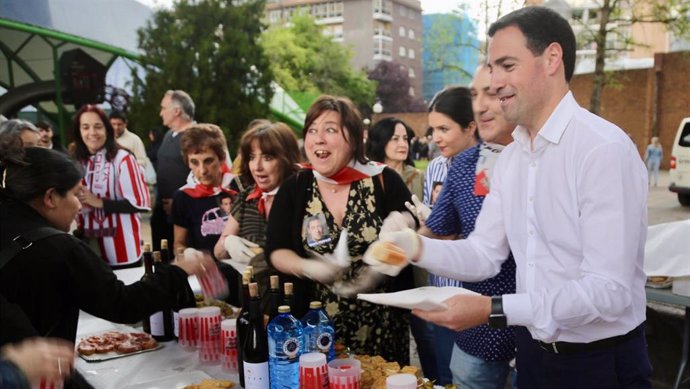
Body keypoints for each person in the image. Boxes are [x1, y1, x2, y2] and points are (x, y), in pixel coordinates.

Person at [372, 6, 651, 389]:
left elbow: (609, 291)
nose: (495, 80)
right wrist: (414, 247)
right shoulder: (514, 158)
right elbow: (485, 253)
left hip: (600, 362)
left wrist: (493, 310)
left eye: (507, 65)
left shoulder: (601, 149)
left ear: (551, 58)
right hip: (533, 356)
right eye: (491, 67)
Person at [0, 146, 211, 388]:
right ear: (50, 198)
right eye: (76, 195)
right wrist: (179, 270)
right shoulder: (60, 248)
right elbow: (123, 304)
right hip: (35, 374)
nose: (81, 206)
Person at [265, 95, 415, 365]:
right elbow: (275, 250)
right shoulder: (297, 186)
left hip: (381, 327)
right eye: (312, 130)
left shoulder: (381, 179)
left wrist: (402, 224)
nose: (318, 139)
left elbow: (417, 222)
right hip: (317, 328)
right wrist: (307, 266)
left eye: (330, 130)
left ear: (355, 138)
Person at [409, 65, 517, 389]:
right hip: (476, 331)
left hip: (533, 334)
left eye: (493, 93)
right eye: (474, 94)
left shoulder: (542, 159)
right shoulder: (465, 166)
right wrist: (404, 241)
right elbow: (449, 235)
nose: (481, 104)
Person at [414, 86, 480, 385]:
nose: (436, 137)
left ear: (471, 126)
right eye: (432, 129)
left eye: (444, 128)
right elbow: (434, 221)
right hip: (440, 286)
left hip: (475, 293)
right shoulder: (437, 166)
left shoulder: (488, 167)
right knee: (444, 375)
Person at [213, 121, 302, 309]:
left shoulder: (302, 198)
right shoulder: (247, 198)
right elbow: (218, 252)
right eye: (252, 157)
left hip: (293, 302)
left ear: (286, 158)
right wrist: (228, 242)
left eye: (268, 157)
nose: (257, 166)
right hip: (253, 301)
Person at [72, 104, 150, 267]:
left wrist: (99, 202)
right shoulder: (77, 161)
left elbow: (139, 204)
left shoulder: (123, 158)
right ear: (79, 131)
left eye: (98, 127)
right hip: (88, 245)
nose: (92, 133)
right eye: (85, 127)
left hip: (122, 247)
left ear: (107, 130)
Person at [171, 123, 241, 305]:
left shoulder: (239, 187)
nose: (202, 170)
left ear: (222, 158)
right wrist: (187, 253)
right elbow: (178, 242)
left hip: (244, 276)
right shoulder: (183, 196)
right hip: (208, 281)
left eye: (208, 161)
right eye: (195, 162)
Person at [152, 90, 195, 252]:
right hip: (162, 215)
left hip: (184, 218)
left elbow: (205, 175)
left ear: (177, 111)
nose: (160, 112)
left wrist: (180, 202)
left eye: (164, 108)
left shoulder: (196, 136)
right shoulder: (169, 135)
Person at [367, 117, 424, 200]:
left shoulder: (418, 177)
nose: (403, 144)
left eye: (405, 138)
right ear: (381, 142)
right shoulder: (368, 178)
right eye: (395, 139)